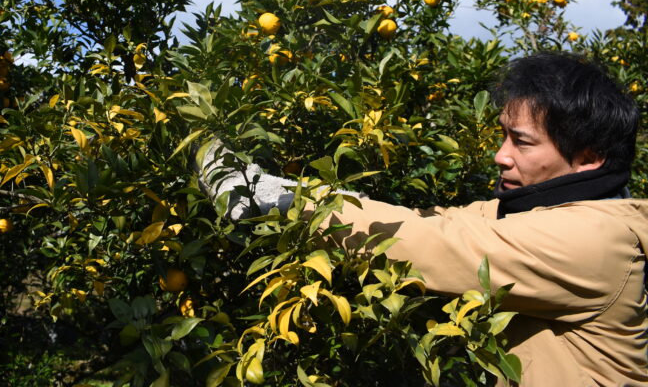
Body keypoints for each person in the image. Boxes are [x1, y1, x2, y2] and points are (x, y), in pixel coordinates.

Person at [197, 51, 648, 386]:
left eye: (521, 142)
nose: (500, 156)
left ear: (588, 159)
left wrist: (284, 198)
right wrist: (345, 199)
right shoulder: (542, 210)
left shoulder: (594, 239)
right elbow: (442, 222)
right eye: (502, 136)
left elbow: (436, 246)